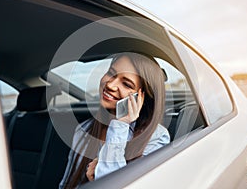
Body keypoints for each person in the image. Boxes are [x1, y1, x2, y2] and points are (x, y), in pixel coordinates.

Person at [59, 52, 170, 188]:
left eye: (126, 84)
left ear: (142, 98)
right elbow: (67, 184)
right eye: (111, 73)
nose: (110, 85)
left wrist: (121, 125)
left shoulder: (156, 138)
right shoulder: (84, 129)